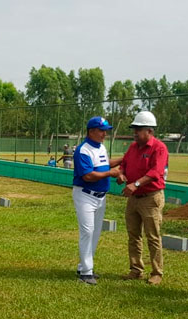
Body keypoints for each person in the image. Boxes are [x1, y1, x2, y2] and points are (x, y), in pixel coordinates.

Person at [117, 111, 169, 285]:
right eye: (135, 129)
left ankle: (157, 272)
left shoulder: (159, 148)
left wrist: (135, 184)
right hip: (134, 198)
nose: (135, 133)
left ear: (149, 131)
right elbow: (124, 164)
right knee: (133, 235)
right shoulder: (133, 147)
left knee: (152, 236)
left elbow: (155, 172)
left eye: (138, 129)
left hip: (151, 198)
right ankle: (136, 269)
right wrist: (122, 175)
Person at [72, 116, 122, 285]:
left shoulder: (100, 147)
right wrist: (111, 173)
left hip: (100, 196)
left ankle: (84, 267)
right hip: (85, 194)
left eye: (106, 131)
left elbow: (104, 164)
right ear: (91, 131)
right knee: (87, 232)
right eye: (101, 130)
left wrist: (122, 160)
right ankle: (86, 273)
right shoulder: (83, 150)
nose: (104, 134)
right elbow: (88, 175)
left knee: (95, 233)